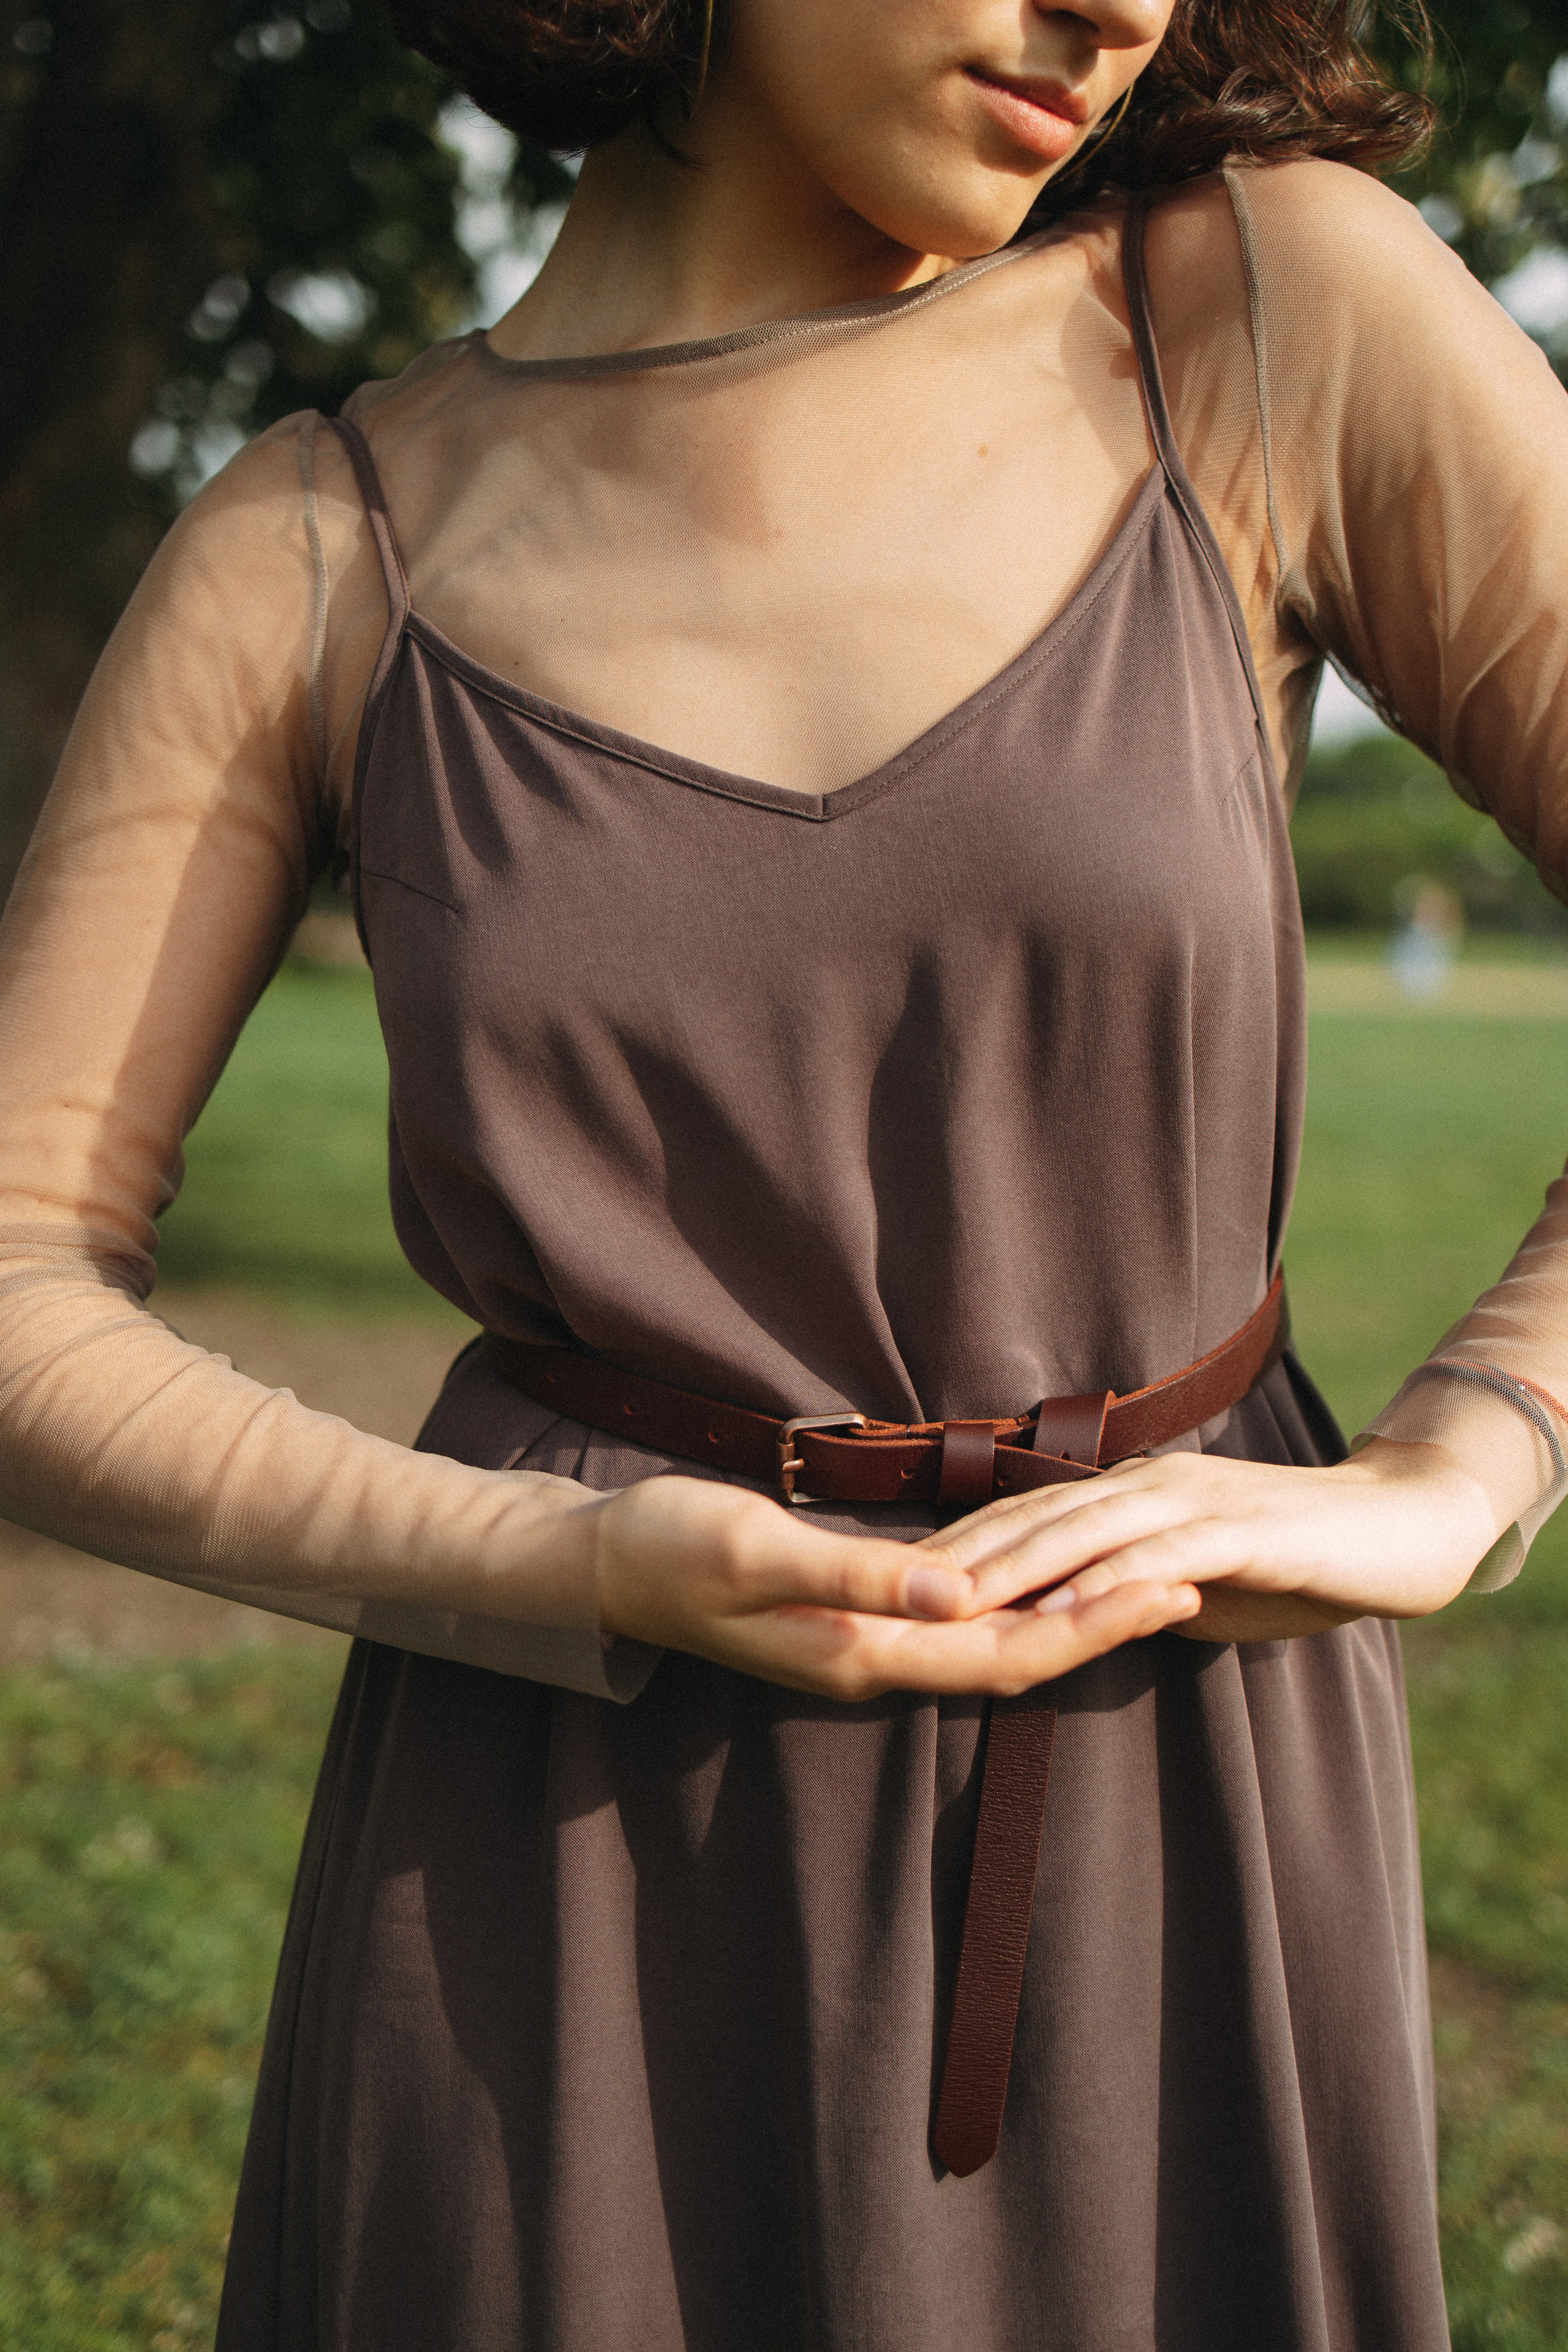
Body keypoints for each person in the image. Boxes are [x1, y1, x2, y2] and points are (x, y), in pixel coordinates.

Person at [2, 0, 1567, 2341]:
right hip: (556, 1863)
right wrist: (572, 1560)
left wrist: (1477, 1452)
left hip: (1174, 1798)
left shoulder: (1259, 320)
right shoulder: (325, 544)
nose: (1114, 6)